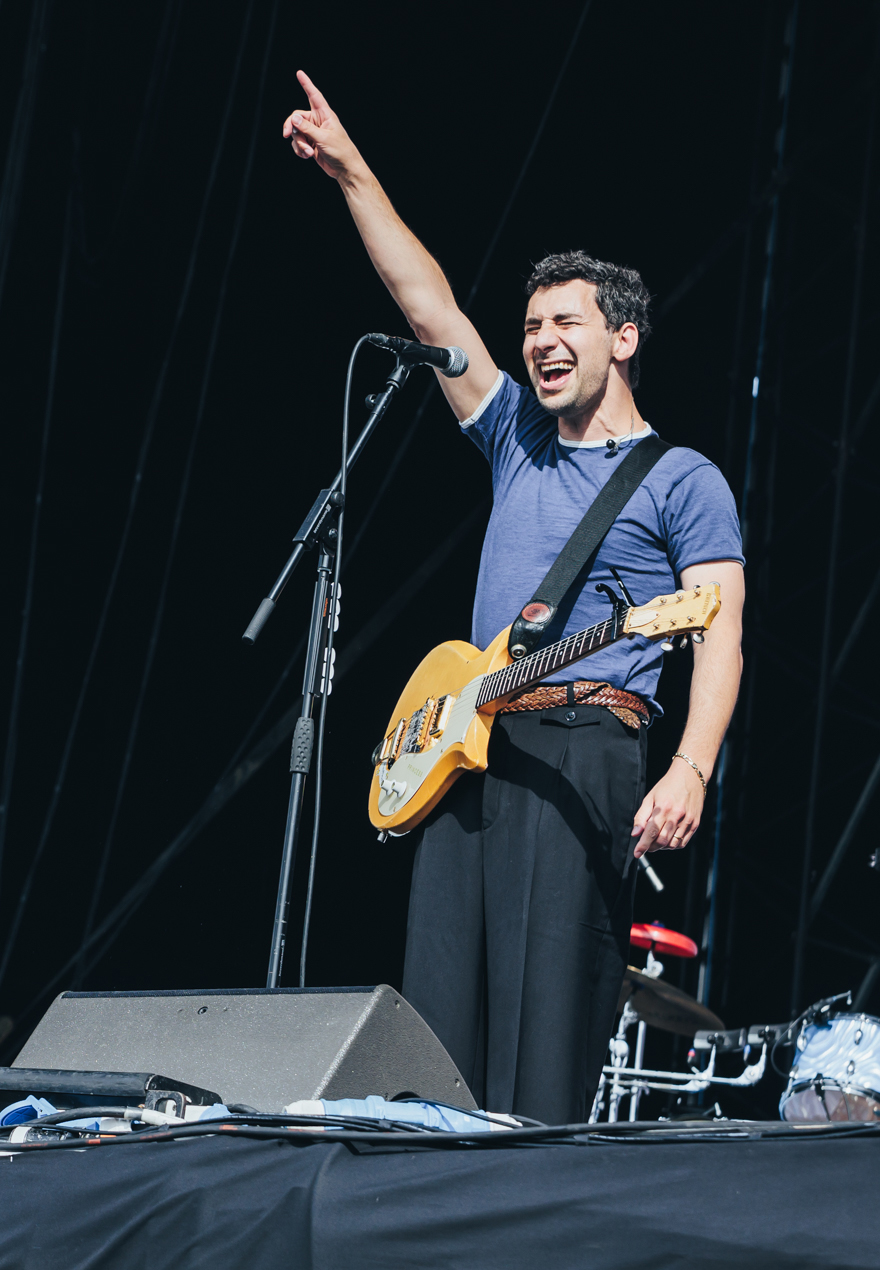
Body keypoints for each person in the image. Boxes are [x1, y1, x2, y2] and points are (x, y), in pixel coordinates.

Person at [282, 72, 746, 1123]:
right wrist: (351, 170)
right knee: (439, 1030)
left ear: (622, 337)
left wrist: (689, 768)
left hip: (585, 747)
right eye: (529, 323)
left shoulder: (681, 478)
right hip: (468, 745)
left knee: (542, 1032)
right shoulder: (513, 439)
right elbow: (425, 300)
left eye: (564, 322)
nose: (537, 339)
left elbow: (716, 632)